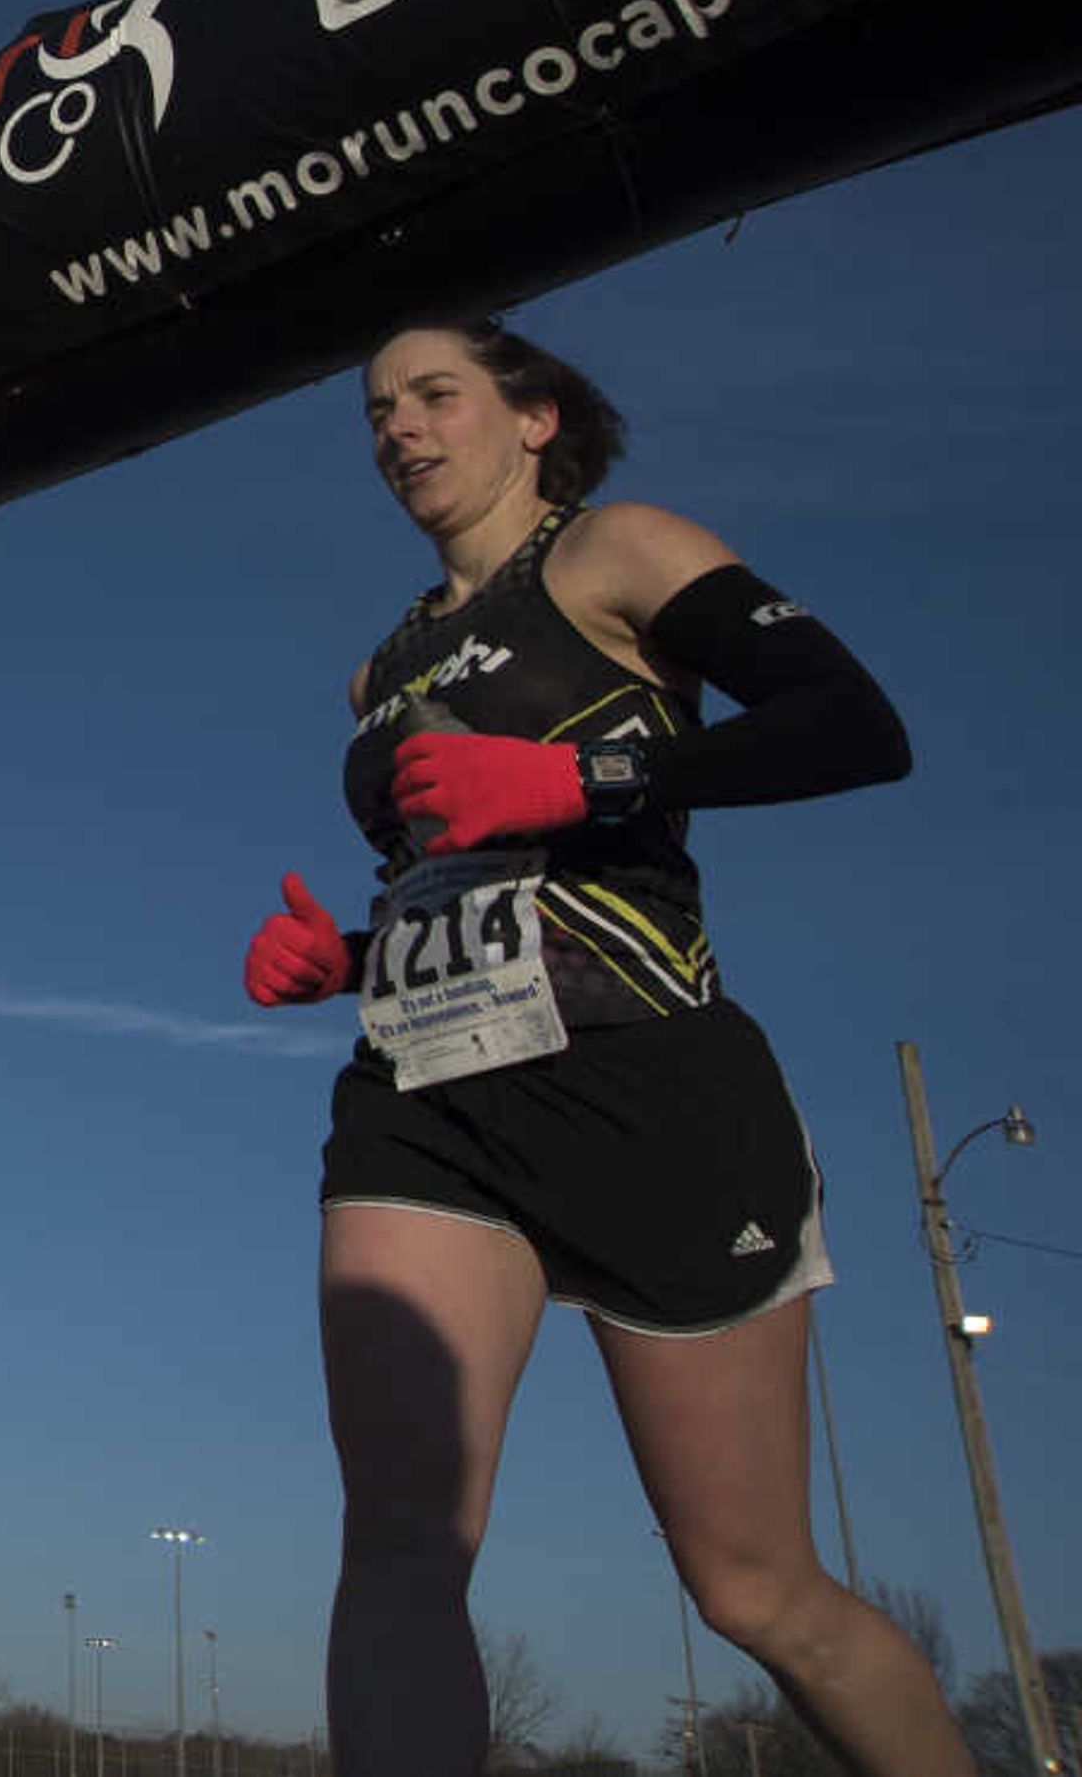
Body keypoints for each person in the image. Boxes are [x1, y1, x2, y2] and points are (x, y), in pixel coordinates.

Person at [242, 320, 974, 1777]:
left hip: (649, 1085)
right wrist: (354, 964)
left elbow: (854, 726)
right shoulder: (380, 669)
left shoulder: (617, 553)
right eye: (378, 411)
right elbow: (473, 881)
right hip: (427, 1097)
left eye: (435, 395)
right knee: (401, 1534)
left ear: (534, 416)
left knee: (754, 1590)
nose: (399, 429)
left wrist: (583, 772)